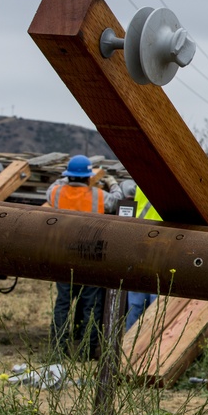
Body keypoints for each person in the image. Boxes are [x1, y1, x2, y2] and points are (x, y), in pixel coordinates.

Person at [46, 154, 124, 360]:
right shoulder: (98, 195)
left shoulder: (56, 193)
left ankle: (58, 349)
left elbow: (51, 187)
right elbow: (117, 199)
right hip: (90, 257)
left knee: (63, 303)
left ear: (68, 175)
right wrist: (112, 183)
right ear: (89, 177)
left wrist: (65, 178)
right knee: (91, 305)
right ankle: (86, 352)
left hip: (63, 255)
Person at [119, 182, 161, 330]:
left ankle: (129, 344)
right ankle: (149, 345)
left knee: (136, 302)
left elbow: (125, 186)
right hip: (162, 245)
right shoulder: (171, 187)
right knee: (155, 304)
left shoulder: (141, 182)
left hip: (140, 242)